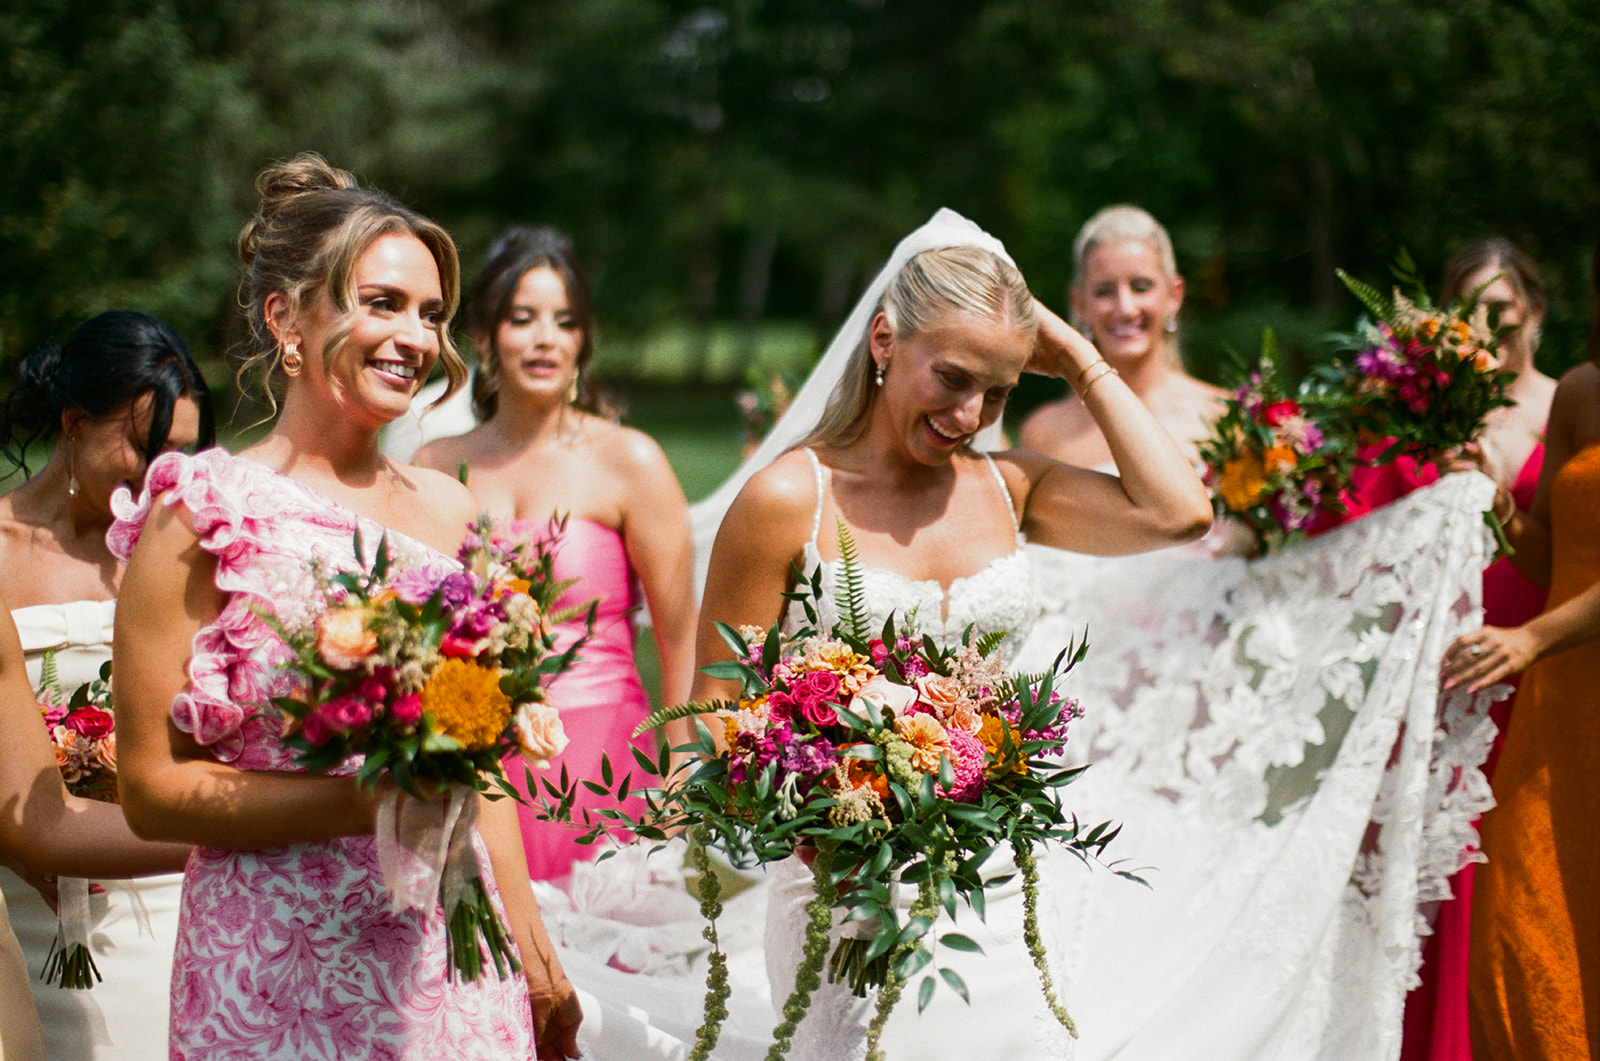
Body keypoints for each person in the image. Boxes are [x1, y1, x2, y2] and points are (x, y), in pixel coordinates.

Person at [693, 208, 1212, 1060]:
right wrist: (816, 809)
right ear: (885, 340)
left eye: (1001, 391)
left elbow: (1179, 511)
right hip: (838, 895)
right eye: (955, 376)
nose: (972, 413)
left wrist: (1082, 360)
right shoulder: (789, 499)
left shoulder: (1012, 488)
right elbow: (709, 715)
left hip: (993, 897)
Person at [107, 153, 580, 1060]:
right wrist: (373, 800)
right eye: (381, 302)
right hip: (271, 963)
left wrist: (530, 942)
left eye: (432, 313)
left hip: (448, 952)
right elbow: (153, 791)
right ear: (286, 317)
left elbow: (482, 761)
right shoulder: (201, 515)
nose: (415, 336)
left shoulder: (452, 510)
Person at [413, 226, 696, 883]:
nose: (545, 338)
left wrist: (678, 778)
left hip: (603, 762)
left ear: (582, 342)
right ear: (484, 336)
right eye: (522, 318)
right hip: (473, 767)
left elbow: (683, 640)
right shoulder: (433, 466)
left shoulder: (631, 461)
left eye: (565, 322)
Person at [0, 310, 212, 1060]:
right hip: (24, 907)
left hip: (175, 895)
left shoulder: (190, 557)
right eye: (141, 444)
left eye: (180, 451)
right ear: (73, 423)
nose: (161, 473)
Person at [1445, 228, 1600, 1061]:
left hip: (1543, 651)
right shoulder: (1583, 391)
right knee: (1523, 916)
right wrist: (1494, 500)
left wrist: (1529, 638)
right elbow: (1546, 547)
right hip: (1550, 689)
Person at [1402, 238, 1555, 1061]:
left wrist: (1497, 500)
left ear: (1532, 308)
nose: (1488, 327)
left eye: (1502, 310)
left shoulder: (1566, 404)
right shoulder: (1432, 412)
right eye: (1469, 313)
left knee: (1518, 868)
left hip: (1537, 651)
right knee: (1444, 870)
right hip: (1449, 663)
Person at [1018, 204, 1226, 469]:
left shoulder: (1221, 415)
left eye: (1141, 287)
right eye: (1104, 291)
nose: (1125, 308)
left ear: (1174, 295)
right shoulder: (1044, 433)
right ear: (1080, 304)